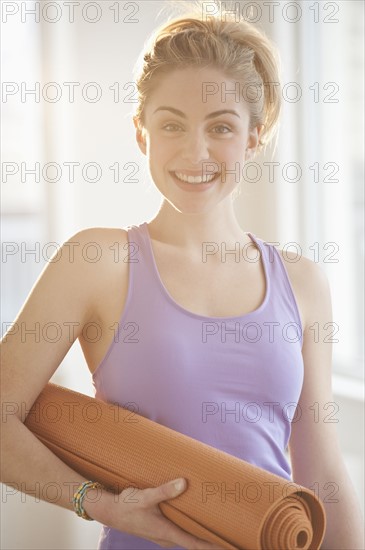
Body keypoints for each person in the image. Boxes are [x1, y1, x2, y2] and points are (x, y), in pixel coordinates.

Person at [1, 2, 364, 550]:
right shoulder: (96, 260)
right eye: (171, 124)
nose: (195, 152)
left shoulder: (303, 282)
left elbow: (323, 474)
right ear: (141, 133)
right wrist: (95, 503)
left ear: (253, 137)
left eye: (221, 127)